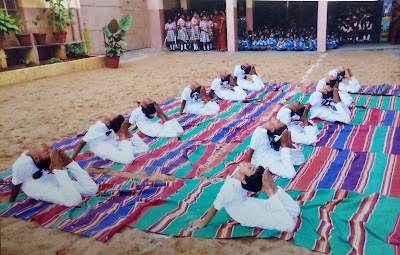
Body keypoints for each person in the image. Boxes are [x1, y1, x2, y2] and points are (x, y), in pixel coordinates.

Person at [189, 162, 300, 232]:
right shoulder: (230, 188)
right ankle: (269, 190)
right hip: (247, 214)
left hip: (249, 206)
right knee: (289, 225)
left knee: (295, 211)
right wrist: (202, 222)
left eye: (251, 168)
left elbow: (214, 208)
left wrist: (273, 188)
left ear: (243, 179)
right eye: (252, 166)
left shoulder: (235, 184)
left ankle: (271, 189)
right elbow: (215, 207)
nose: (250, 164)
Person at [9, 144, 98, 207]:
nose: (47, 146)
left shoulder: (32, 157)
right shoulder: (20, 164)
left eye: (49, 148)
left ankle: (62, 165)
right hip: (36, 188)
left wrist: (69, 163)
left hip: (48, 178)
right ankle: (58, 168)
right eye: (47, 151)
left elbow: (16, 184)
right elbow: (16, 183)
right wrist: (11, 199)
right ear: (36, 158)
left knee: (92, 189)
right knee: (74, 200)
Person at [71, 113, 149, 165]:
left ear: (108, 123)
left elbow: (144, 149)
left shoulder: (115, 125)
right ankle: (93, 150)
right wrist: (72, 159)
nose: (112, 113)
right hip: (101, 148)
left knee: (144, 149)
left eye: (113, 114)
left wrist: (126, 133)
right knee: (128, 159)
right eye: (113, 114)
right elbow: (82, 143)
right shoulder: (96, 128)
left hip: (111, 142)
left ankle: (122, 145)